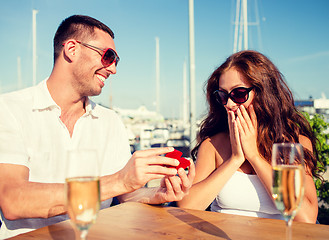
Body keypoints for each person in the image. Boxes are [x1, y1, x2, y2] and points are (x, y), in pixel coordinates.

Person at [0, 15, 194, 239]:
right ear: (72, 49)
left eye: (116, 61)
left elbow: (127, 195)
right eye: (108, 56)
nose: (113, 69)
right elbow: (13, 200)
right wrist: (119, 180)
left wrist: (157, 193)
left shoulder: (110, 121)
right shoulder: (9, 109)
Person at [177, 50, 320, 223]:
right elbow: (187, 207)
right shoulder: (214, 144)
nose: (229, 104)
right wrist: (235, 159)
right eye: (222, 95)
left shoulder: (291, 144)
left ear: (263, 94)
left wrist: (255, 157)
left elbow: (305, 218)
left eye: (238, 94)